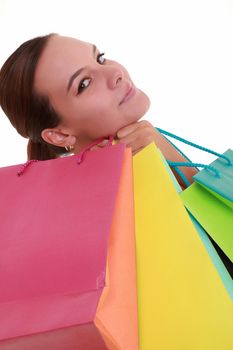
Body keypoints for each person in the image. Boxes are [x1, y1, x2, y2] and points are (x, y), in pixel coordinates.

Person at [0, 33, 197, 186]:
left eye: (100, 58)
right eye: (84, 83)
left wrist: (176, 163)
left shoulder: (153, 149)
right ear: (59, 135)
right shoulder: (75, 207)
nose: (115, 72)